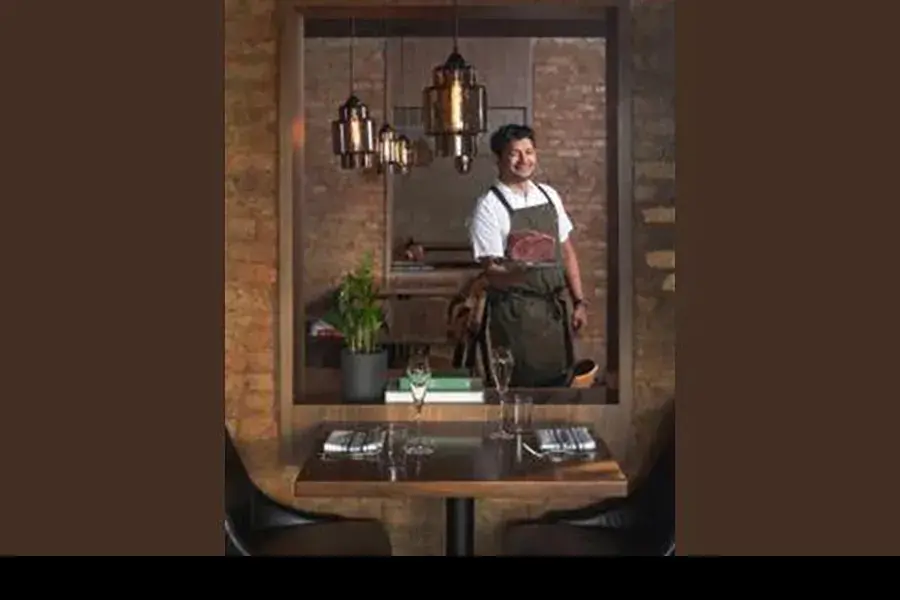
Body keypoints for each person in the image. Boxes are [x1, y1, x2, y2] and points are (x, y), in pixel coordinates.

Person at [467, 124, 588, 389]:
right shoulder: (489, 206)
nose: (524, 160)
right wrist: (521, 270)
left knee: (559, 385)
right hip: (515, 317)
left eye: (529, 151)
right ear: (499, 159)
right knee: (519, 390)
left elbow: (566, 250)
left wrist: (579, 301)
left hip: (554, 314)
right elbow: (491, 272)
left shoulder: (549, 195)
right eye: (515, 154)